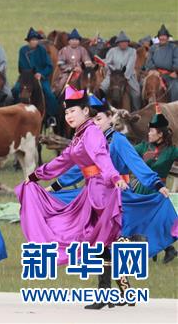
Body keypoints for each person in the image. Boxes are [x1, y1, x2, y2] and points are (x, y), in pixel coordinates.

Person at [16, 86, 128, 310]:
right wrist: (35, 176)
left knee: (99, 241)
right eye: (66, 113)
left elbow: (100, 155)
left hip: (102, 190)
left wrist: (114, 176)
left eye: (73, 111)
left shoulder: (92, 132)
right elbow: (62, 161)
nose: (68, 116)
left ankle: (107, 292)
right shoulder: (80, 136)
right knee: (101, 242)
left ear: (86, 111)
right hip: (92, 189)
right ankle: (113, 291)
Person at [49, 96, 175, 273]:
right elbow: (79, 170)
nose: (95, 124)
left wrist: (156, 184)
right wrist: (54, 187)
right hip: (94, 194)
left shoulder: (119, 141)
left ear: (110, 117)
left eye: (99, 119)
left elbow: (135, 164)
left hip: (117, 194)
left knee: (123, 230)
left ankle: (124, 268)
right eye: (91, 120)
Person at [132, 104, 178, 262]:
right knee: (136, 219)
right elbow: (126, 153)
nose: (149, 133)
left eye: (152, 131)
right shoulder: (143, 147)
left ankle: (167, 249)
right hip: (141, 189)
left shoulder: (172, 151)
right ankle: (144, 251)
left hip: (159, 192)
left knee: (157, 222)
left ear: (160, 134)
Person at [12, 27, 60, 118]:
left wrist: (41, 74)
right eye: (32, 40)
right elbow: (21, 66)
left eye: (35, 40)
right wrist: (29, 74)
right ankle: (14, 113)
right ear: (28, 41)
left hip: (40, 77)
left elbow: (49, 66)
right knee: (16, 90)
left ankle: (52, 116)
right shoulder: (23, 50)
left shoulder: (42, 50)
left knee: (48, 94)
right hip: (26, 77)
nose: (34, 42)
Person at [101, 31, 141, 110]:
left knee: (136, 93)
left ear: (128, 43)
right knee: (102, 88)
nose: (123, 44)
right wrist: (112, 69)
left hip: (127, 75)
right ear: (118, 43)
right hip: (113, 74)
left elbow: (130, 64)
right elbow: (107, 63)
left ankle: (136, 109)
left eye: (125, 42)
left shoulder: (132, 51)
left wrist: (125, 75)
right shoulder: (112, 51)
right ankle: (102, 107)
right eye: (121, 42)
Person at [143, 24, 178, 101]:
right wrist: (153, 69)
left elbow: (176, 59)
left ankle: (174, 108)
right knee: (142, 86)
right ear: (158, 37)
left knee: (175, 88)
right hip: (155, 73)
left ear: (167, 37)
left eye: (164, 36)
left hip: (169, 74)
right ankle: (142, 107)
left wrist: (175, 71)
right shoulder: (153, 48)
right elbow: (149, 60)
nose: (162, 38)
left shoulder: (174, 48)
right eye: (161, 36)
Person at [54, 29, 92, 93]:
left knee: (88, 82)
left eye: (76, 40)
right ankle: (58, 97)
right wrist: (72, 68)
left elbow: (87, 60)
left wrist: (85, 66)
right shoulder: (64, 50)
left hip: (80, 72)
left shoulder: (82, 50)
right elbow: (60, 64)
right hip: (67, 73)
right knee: (61, 84)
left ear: (79, 41)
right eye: (72, 40)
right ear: (69, 41)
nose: (74, 42)